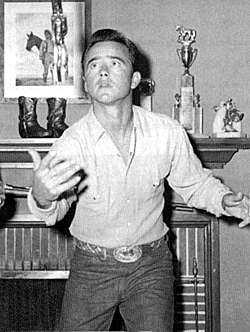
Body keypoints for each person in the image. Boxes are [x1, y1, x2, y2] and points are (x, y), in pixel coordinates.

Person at [27, 28, 250, 332]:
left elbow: (196, 184)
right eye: (93, 65)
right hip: (92, 269)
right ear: (85, 84)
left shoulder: (167, 132)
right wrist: (42, 195)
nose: (102, 71)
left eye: (114, 63)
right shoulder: (71, 143)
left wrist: (225, 200)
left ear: (134, 79)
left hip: (151, 267)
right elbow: (56, 208)